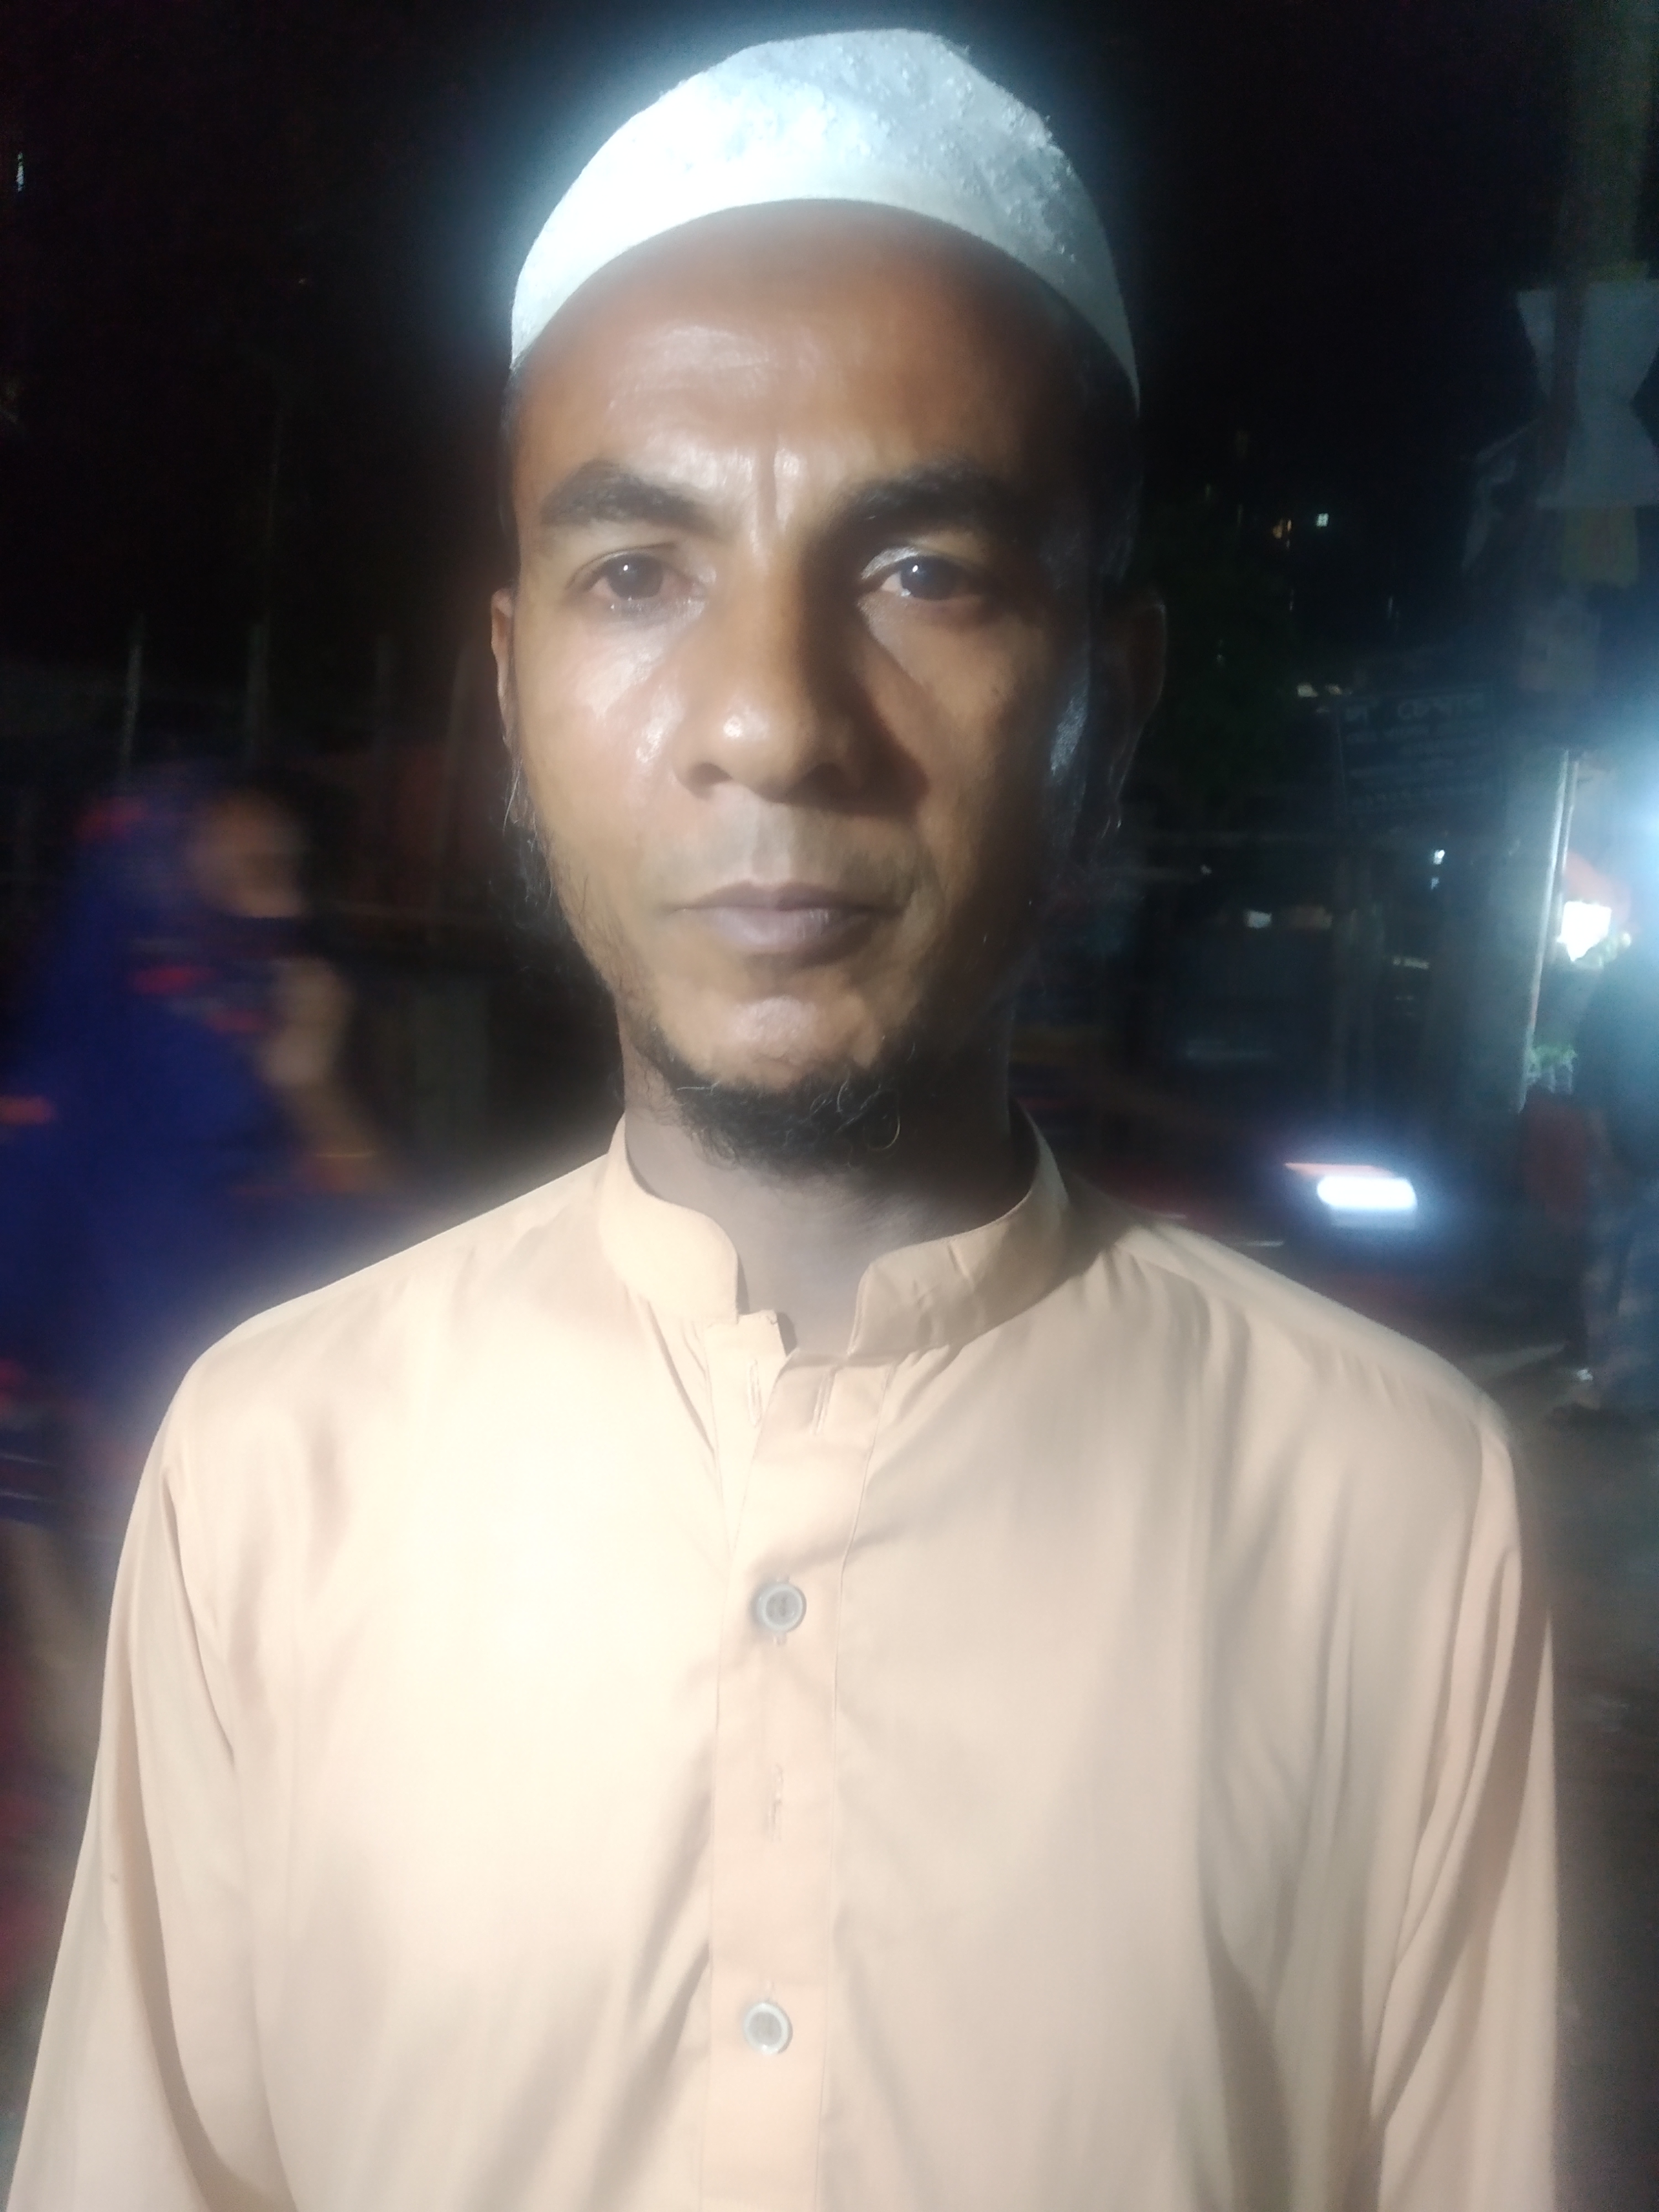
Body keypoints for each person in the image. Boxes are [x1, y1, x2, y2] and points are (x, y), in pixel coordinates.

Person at [11, 34, 1552, 2211]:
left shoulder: (1390, 1517)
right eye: (639, 575)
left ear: (1108, 703)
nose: (767, 719)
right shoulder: (268, 1473)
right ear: (513, 694)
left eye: (924, 573)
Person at [0, 768, 390, 1772]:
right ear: (155, 906)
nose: (281, 909)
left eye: (287, 873)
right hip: (114, 1580)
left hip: (311, 1560)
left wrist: (312, 1087)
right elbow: (12, 1393)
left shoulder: (288, 1089)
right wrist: (57, 1639)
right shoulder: (48, 1121)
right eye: (243, 879)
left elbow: (401, 1275)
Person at [1568, 878, 1659, 1415]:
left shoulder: (1628, 977)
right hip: (1625, 1158)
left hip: (1637, 1158)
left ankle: (1630, 1393)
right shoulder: (1624, 980)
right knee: (1618, 1280)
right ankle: (1618, 1393)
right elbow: (1595, 1079)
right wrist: (1607, 1157)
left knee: (1633, 1282)